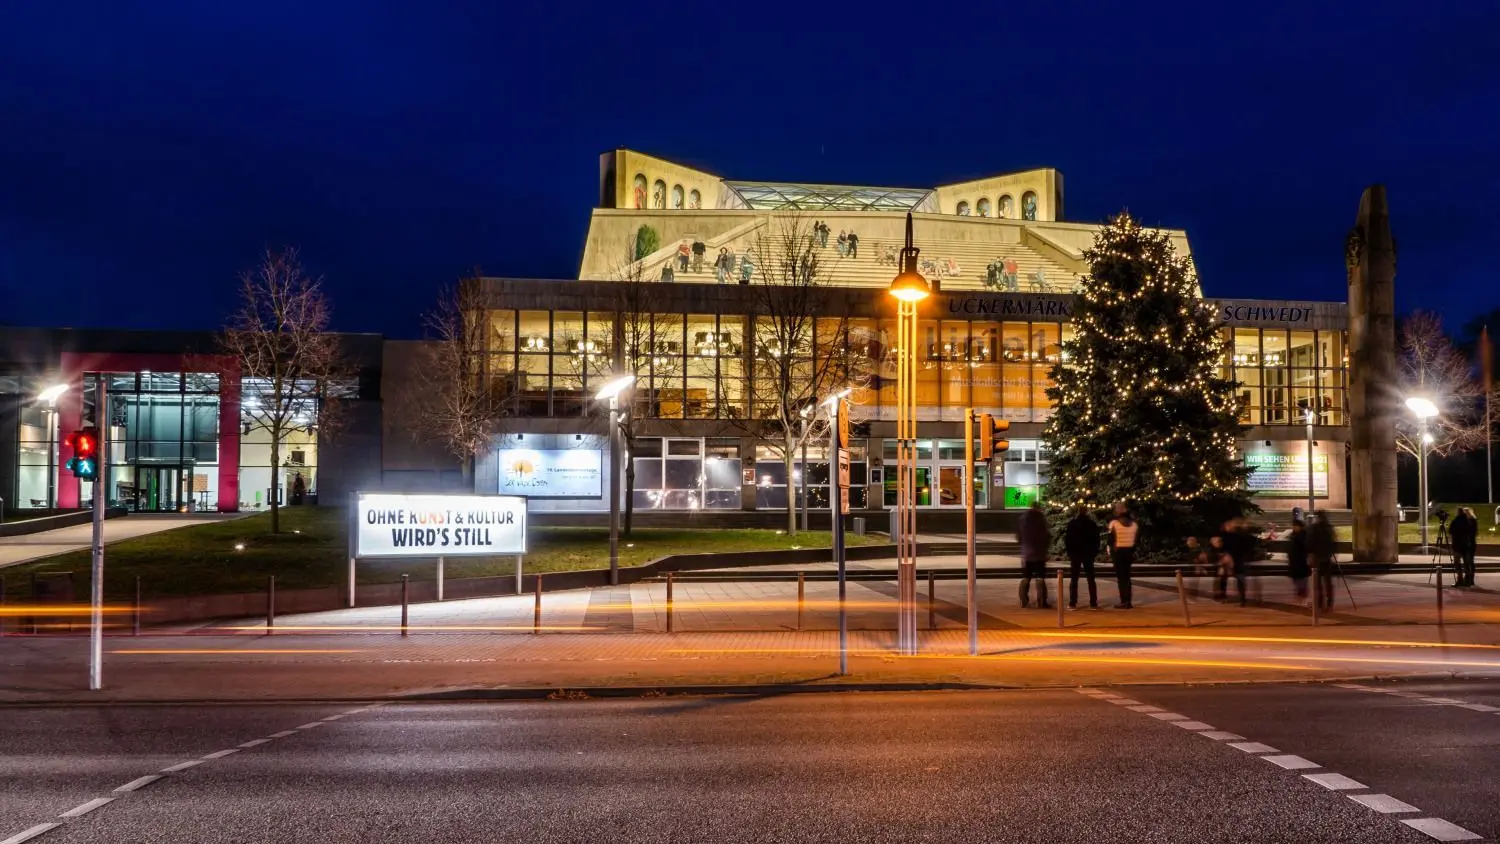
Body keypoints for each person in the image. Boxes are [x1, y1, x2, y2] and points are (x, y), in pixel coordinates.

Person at [1064, 506, 1101, 610]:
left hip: (1075, 554)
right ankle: (1093, 603)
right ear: (1087, 513)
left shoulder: (1072, 524)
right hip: (1088, 554)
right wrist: (1094, 552)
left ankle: (1072, 603)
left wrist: (1070, 552)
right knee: (1091, 579)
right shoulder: (1091, 524)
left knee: (1074, 579)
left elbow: (1068, 540)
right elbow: (1097, 540)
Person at [1017, 502, 1051, 609]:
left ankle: (1023, 600)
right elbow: (1046, 536)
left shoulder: (1023, 520)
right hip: (1040, 554)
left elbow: (1019, 536)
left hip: (1027, 554)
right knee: (1040, 578)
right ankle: (1041, 601)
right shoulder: (1041, 519)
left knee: (1026, 578)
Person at [1215, 516, 1254, 606]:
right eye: (1228, 525)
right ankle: (1223, 596)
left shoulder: (1238, 536)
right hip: (1228, 561)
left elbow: (1245, 546)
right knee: (1224, 579)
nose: (1230, 526)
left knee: (1240, 580)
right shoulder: (1224, 536)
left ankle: (1242, 599)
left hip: (1237, 561)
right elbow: (1219, 547)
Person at [1107, 502, 1138, 609]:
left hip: (1118, 553)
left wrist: (1112, 549)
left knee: (1121, 578)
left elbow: (1110, 540)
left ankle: (1123, 600)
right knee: (1127, 577)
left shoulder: (1115, 524)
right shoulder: (1134, 524)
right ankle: (1128, 601)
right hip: (1129, 552)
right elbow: (1137, 540)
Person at [1307, 511, 1337, 611]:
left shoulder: (1314, 528)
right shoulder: (1329, 528)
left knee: (1318, 583)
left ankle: (1320, 603)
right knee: (1327, 582)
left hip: (1318, 558)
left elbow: (1309, 543)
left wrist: (1311, 553)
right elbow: (1334, 542)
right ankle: (1329, 603)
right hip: (1326, 557)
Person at [1451, 506, 1479, 587]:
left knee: (1462, 563)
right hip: (1467, 545)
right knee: (1467, 563)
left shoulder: (1457, 521)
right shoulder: (1468, 522)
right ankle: (1468, 580)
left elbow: (1452, 532)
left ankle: (1465, 580)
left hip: (1460, 545)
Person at [1286, 518, 1310, 605]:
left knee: (1302, 580)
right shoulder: (1293, 535)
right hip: (1294, 561)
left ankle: (1303, 595)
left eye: (1296, 526)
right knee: (1296, 579)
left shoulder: (1303, 535)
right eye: (1294, 526)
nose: (1294, 527)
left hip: (1301, 561)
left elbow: (1305, 547)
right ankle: (1300, 594)